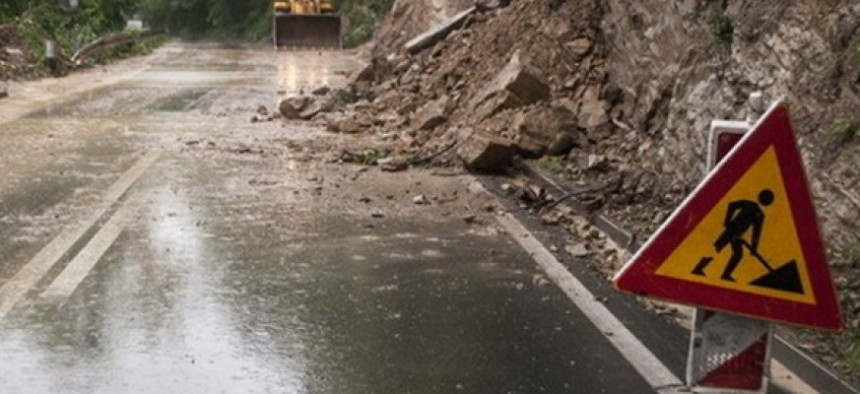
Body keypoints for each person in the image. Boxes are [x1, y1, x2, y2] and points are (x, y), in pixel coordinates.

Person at [692, 189, 774, 281]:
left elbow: (756, 232)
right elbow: (732, 205)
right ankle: (698, 268)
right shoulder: (749, 205)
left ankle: (725, 275)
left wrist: (754, 248)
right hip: (731, 230)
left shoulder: (759, 214)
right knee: (717, 249)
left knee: (737, 254)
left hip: (738, 236)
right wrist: (727, 222)